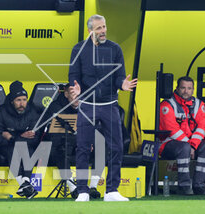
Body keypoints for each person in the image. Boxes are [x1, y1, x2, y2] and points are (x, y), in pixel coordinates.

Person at [68, 14, 137, 202]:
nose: (103, 31)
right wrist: (76, 87)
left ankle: (111, 191)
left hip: (109, 105)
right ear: (90, 30)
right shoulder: (78, 49)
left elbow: (119, 75)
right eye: (99, 28)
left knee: (116, 147)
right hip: (87, 105)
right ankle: (82, 191)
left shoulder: (115, 49)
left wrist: (122, 84)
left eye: (104, 27)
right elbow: (73, 75)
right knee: (83, 148)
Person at [43, 84, 102, 199]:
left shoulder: (87, 107)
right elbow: (52, 134)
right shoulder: (55, 107)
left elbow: (94, 128)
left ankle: (93, 187)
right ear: (66, 94)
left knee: (101, 146)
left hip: (79, 144)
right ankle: (73, 188)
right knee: (60, 151)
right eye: (74, 95)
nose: (78, 99)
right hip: (61, 143)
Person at [159, 76, 205, 195]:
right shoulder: (167, 105)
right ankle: (184, 187)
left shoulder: (199, 104)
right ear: (177, 88)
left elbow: (202, 127)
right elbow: (172, 130)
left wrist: (193, 146)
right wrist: (190, 145)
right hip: (168, 143)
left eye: (189, 88)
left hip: (191, 143)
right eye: (183, 88)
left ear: (193, 90)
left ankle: (199, 186)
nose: (186, 91)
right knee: (184, 148)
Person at [0, 80, 40, 199]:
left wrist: (12, 137)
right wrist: (18, 138)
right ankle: (24, 184)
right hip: (6, 147)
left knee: (29, 150)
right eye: (18, 100)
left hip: (23, 145)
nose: (22, 103)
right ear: (12, 101)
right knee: (13, 150)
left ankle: (25, 183)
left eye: (24, 99)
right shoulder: (1, 111)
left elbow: (35, 138)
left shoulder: (32, 112)